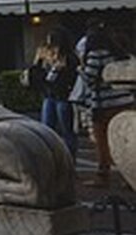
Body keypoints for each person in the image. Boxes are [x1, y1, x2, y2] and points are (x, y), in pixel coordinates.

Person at [80, 23, 136, 185]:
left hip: (104, 104)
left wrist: (80, 70)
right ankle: (129, 176)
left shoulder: (96, 55)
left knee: (102, 141)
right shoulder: (121, 53)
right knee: (126, 139)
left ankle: (103, 175)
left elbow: (89, 78)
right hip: (125, 100)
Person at [28, 31, 78, 157]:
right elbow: (37, 76)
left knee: (67, 130)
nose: (51, 47)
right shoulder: (47, 58)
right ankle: (52, 158)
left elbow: (71, 77)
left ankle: (69, 159)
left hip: (64, 96)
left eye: (53, 43)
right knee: (47, 129)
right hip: (49, 96)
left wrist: (59, 71)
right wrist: (38, 62)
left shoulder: (69, 58)